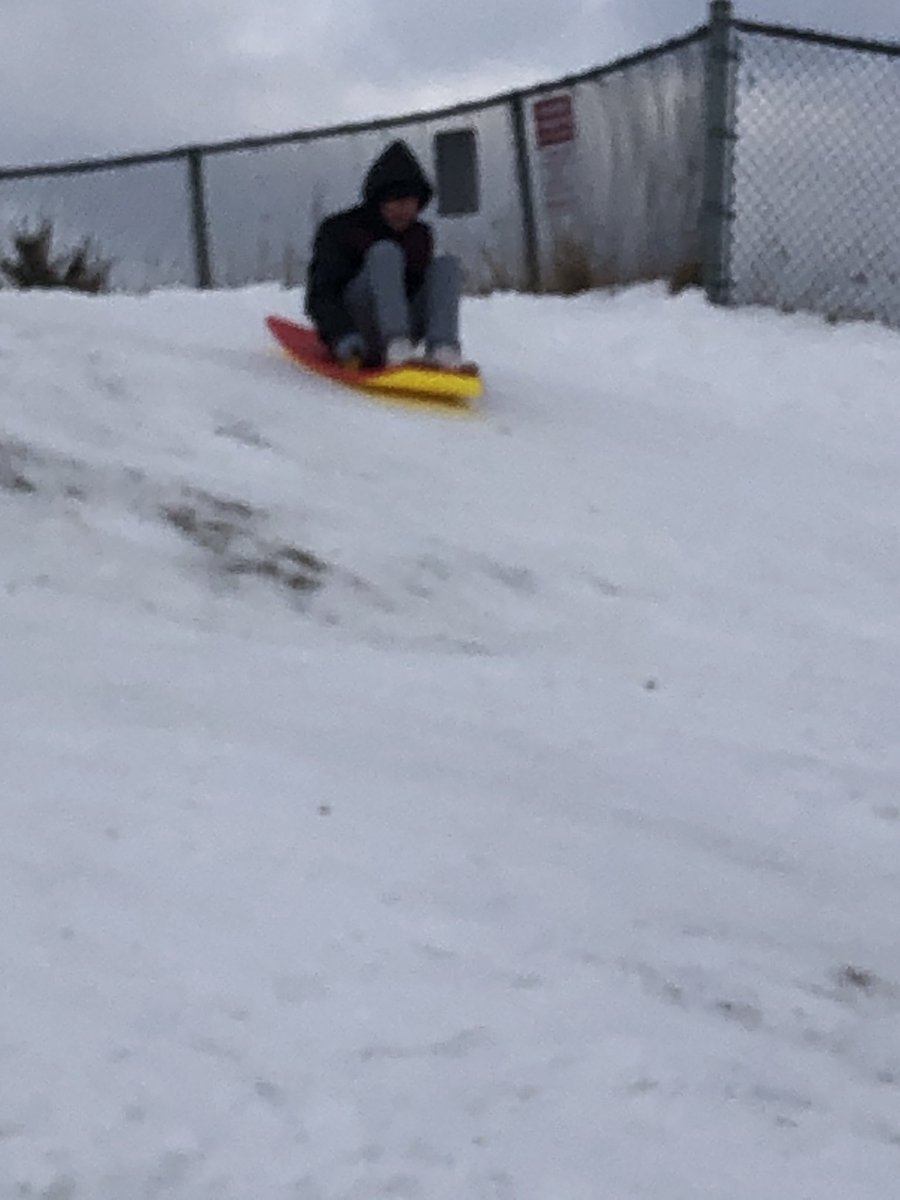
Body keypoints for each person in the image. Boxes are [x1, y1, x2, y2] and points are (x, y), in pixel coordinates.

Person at [305, 139, 471, 371]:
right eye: (396, 201)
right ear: (379, 201)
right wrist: (342, 338)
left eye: (410, 202)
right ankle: (397, 345)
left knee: (447, 265)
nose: (404, 210)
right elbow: (322, 294)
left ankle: (443, 349)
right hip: (356, 330)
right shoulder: (342, 230)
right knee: (386, 253)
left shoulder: (419, 236)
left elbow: (419, 292)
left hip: (406, 326)